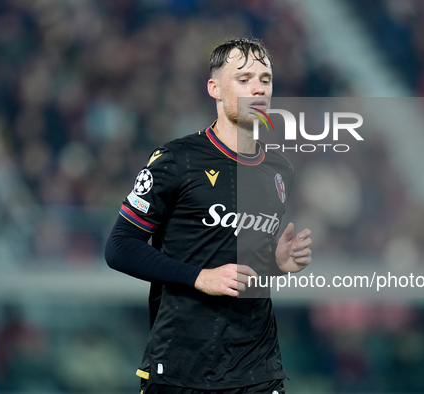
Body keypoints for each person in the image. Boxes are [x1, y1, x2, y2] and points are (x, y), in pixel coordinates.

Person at [105, 37, 312, 394]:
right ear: (214, 88)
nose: (258, 88)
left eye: (266, 79)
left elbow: (237, 260)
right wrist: (200, 277)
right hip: (182, 369)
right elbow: (120, 247)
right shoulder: (177, 160)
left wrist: (275, 263)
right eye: (244, 79)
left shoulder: (279, 169)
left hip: (256, 368)